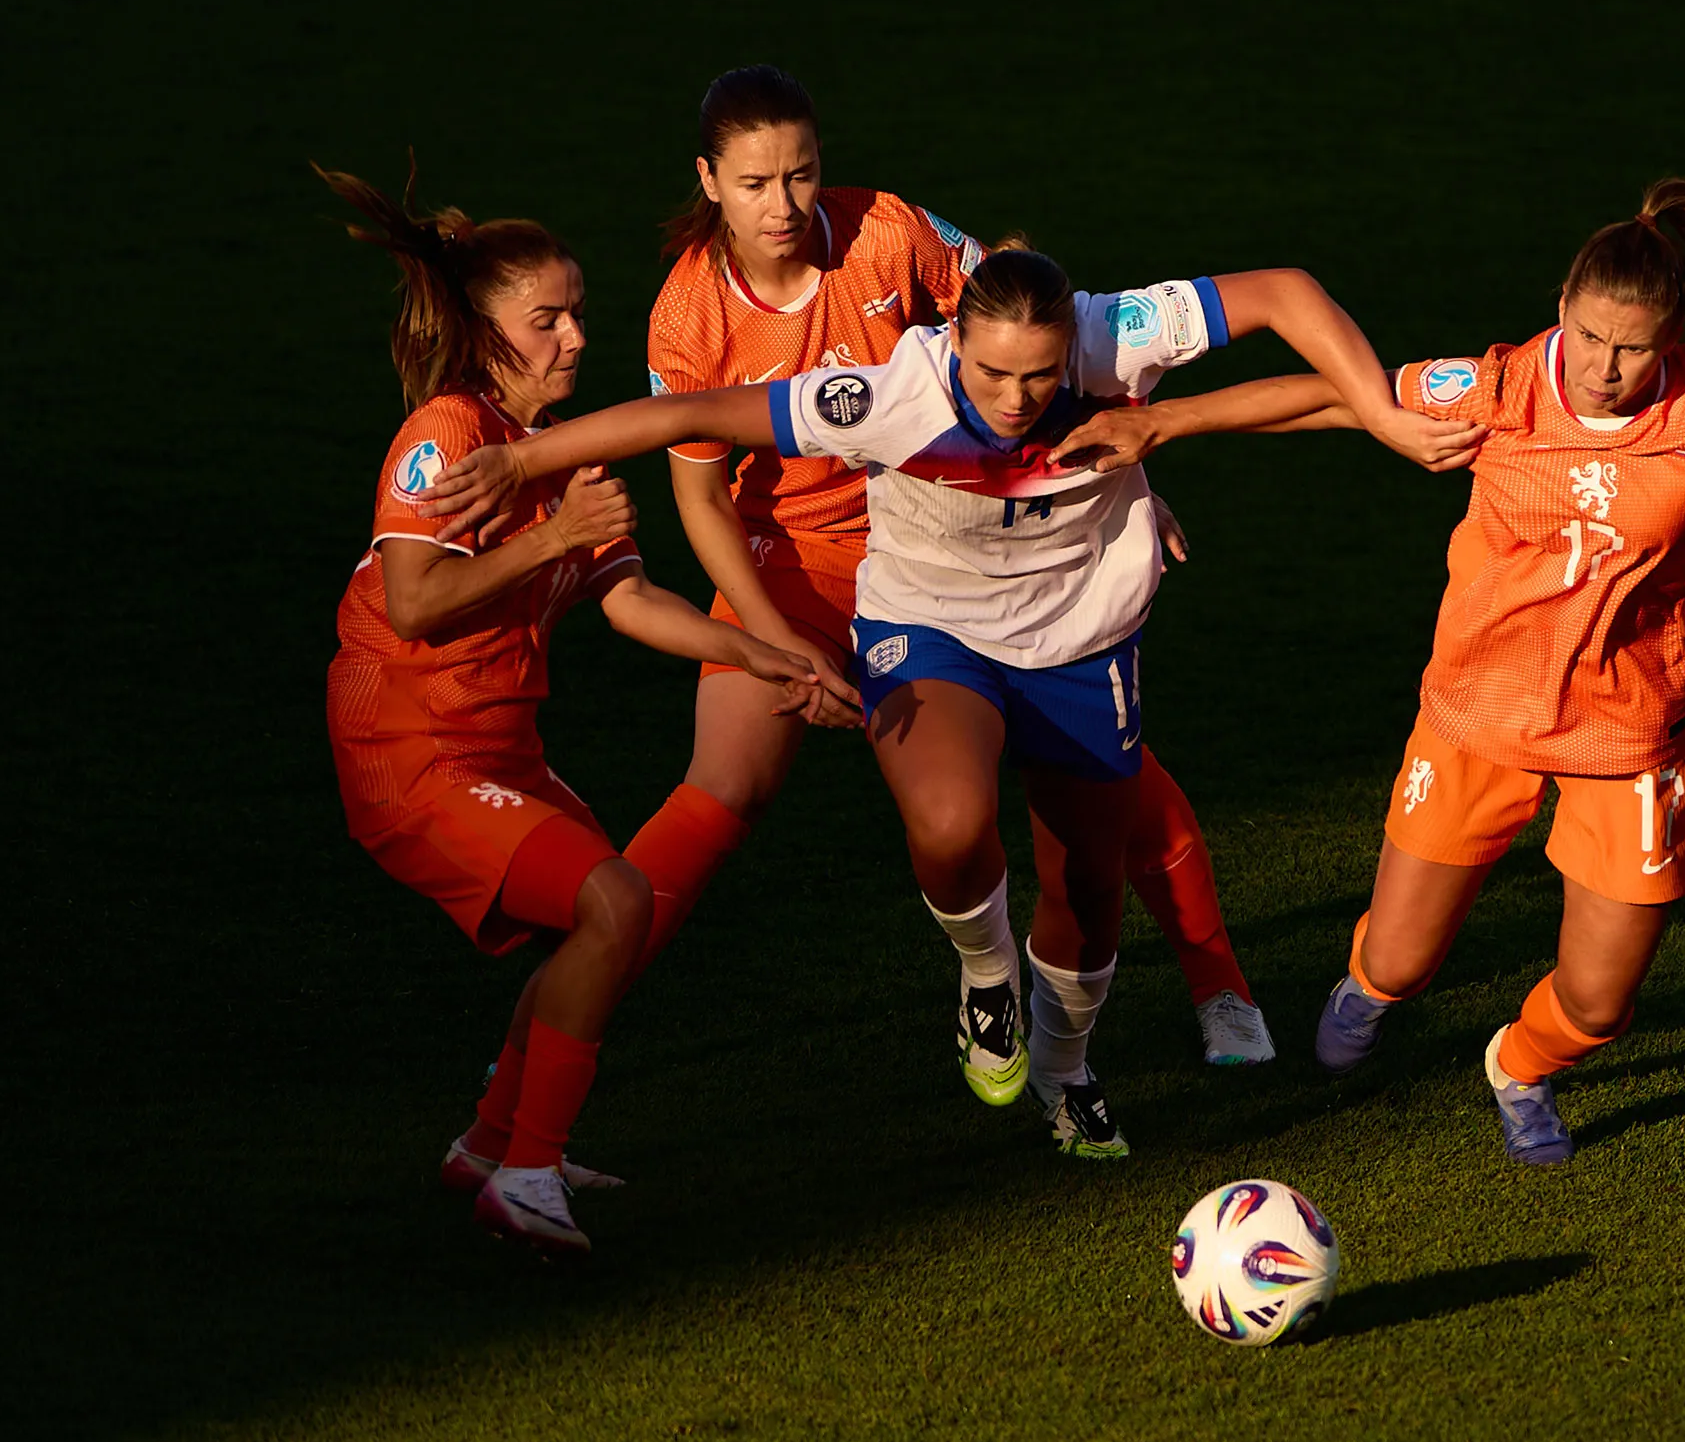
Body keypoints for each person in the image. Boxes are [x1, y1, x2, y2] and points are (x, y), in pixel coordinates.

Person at [421, 247, 1470, 1154]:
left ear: (1077, 347)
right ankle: (982, 974)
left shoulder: (1118, 336)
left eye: (1042, 375)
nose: (1015, 400)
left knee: (1089, 892)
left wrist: (1315, 415)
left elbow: (1286, 292)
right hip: (932, 629)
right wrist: (521, 455)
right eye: (991, 372)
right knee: (953, 816)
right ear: (952, 343)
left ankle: (1065, 1072)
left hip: (1082, 640)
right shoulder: (889, 396)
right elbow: (688, 412)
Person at [1047, 178, 1685, 1167]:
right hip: (1475, 718)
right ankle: (1365, 990)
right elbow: (1336, 400)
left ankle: (1519, 1066)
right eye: (1586, 335)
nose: (1603, 368)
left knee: (1599, 1000)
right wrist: (1161, 424)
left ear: (1673, 337)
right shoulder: (1502, 388)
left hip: (1630, 735)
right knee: (1399, 962)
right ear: (1562, 310)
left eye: (1632, 348)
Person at [626, 65, 1277, 1066]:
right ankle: (572, 1008)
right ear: (709, 181)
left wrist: (1120, 481)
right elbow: (701, 500)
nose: (785, 205)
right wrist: (772, 644)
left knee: (1114, 777)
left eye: (801, 174)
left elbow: (1023, 332)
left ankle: (1219, 981)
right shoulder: (688, 318)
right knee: (722, 784)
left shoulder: (890, 229)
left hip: (946, 539)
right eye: (756, 183)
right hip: (792, 563)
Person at [318, 165, 817, 1254]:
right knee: (611, 905)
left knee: (607, 914)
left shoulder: (554, 458)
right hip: (410, 750)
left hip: (495, 742)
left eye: (578, 313)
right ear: (484, 330)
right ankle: (527, 1169)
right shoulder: (446, 437)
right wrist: (551, 533)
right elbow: (415, 601)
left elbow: (632, 599)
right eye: (546, 319)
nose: (576, 338)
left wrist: (767, 656)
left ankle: (495, 1147)